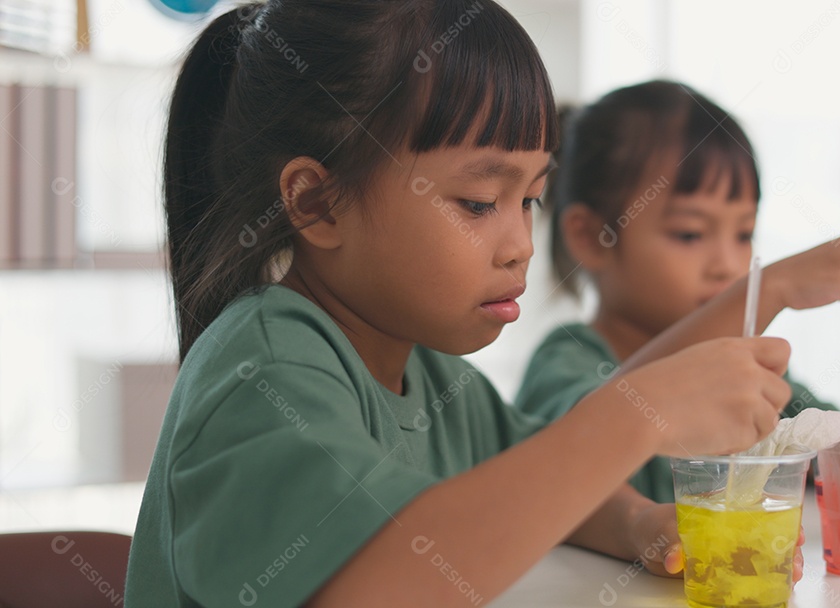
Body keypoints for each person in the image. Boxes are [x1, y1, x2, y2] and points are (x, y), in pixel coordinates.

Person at [125, 4, 798, 605]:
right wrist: (638, 417)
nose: (520, 246)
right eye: (478, 203)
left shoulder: (440, 383)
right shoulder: (264, 370)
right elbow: (373, 583)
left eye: (529, 199)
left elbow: (542, 485)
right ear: (316, 203)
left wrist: (643, 526)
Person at [517, 80, 840, 525]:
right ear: (590, 237)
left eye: (744, 234)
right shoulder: (567, 360)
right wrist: (773, 286)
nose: (728, 265)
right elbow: (576, 444)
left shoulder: (749, 377)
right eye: (690, 233)